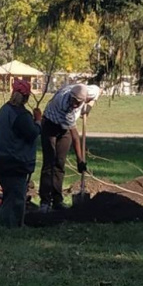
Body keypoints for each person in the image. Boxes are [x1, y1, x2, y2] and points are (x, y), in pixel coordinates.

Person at [39, 83, 101, 213]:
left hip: (65, 129)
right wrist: (80, 160)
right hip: (50, 124)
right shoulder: (63, 103)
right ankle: (45, 201)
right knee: (49, 163)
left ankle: (57, 201)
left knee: (60, 163)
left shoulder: (88, 91)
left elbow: (98, 90)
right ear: (70, 96)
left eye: (78, 102)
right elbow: (74, 136)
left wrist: (89, 106)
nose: (74, 104)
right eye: (73, 100)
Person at [0, 79, 42, 228]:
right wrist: (38, 121)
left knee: (9, 195)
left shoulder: (4, 109)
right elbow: (32, 133)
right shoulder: (22, 115)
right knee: (16, 197)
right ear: (26, 98)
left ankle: (5, 222)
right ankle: (12, 226)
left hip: (0, 158)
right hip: (15, 161)